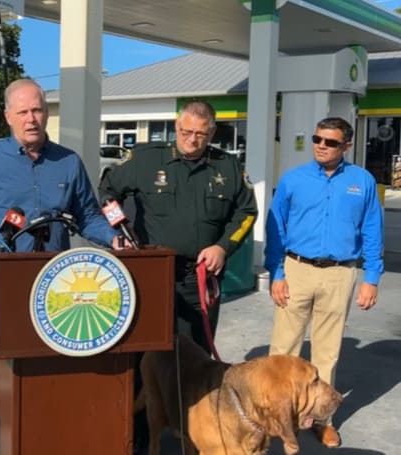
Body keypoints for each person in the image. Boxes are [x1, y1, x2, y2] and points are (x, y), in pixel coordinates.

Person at [99, 100, 257, 452]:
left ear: (212, 133)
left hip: (197, 279)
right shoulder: (145, 159)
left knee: (196, 361)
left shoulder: (227, 167)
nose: (192, 140)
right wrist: (119, 230)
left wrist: (222, 247)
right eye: (186, 132)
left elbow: (246, 212)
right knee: (144, 355)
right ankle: (139, 435)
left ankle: (191, 433)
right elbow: (107, 191)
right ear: (176, 126)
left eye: (201, 134)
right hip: (150, 277)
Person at [264, 116, 384, 448]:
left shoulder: (363, 182)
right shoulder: (292, 180)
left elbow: (373, 231)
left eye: (330, 142)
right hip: (296, 269)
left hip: (340, 273)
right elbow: (276, 230)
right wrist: (276, 272)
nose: (321, 145)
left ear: (346, 145)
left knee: (326, 353)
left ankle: (320, 420)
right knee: (283, 350)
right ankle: (277, 416)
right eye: (318, 138)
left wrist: (371, 277)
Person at [0, 78, 121, 276]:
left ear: (46, 113)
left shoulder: (69, 162)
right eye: (22, 112)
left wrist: (113, 238)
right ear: (8, 117)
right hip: (0, 274)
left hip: (55, 278)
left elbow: (87, 216)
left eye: (37, 110)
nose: (31, 119)